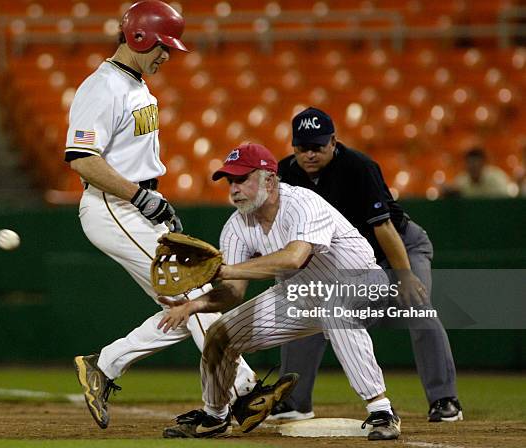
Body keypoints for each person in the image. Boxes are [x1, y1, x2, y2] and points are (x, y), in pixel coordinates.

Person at [64, 0, 257, 429]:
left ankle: (106, 364)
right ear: (138, 37)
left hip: (137, 207)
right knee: (196, 294)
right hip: (113, 208)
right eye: (162, 45)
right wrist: (139, 198)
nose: (167, 55)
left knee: (183, 304)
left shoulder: (135, 86)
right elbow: (81, 158)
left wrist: (154, 204)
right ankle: (244, 390)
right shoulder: (103, 87)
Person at [158, 143, 402, 441]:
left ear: (270, 180)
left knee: (334, 307)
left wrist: (227, 270)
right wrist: (192, 305)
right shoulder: (236, 227)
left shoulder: (302, 202)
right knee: (220, 335)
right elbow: (233, 292)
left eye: (242, 179)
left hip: (361, 280)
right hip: (302, 294)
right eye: (230, 181)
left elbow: (293, 258)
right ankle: (215, 416)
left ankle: (382, 410)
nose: (234, 188)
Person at [268, 107, 462, 423]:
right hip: (342, 260)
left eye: (318, 146)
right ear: (293, 147)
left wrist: (404, 275)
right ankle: (294, 402)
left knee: (417, 306)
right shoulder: (285, 175)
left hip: (396, 248)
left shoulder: (359, 167)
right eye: (303, 147)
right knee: (306, 312)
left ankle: (445, 399)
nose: (310, 154)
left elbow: (383, 227)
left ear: (333, 141)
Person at [446, 147, 511, 197]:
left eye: (476, 164)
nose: (473, 168)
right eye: (470, 164)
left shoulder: (497, 178)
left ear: (483, 164)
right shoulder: (461, 181)